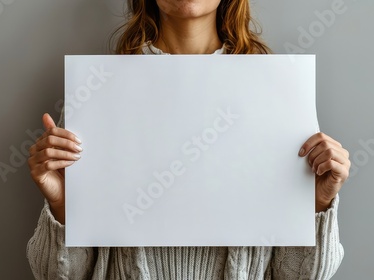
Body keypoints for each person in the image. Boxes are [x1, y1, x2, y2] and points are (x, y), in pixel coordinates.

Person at [26, 0, 351, 279]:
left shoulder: (278, 91)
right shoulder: (99, 93)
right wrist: (62, 204)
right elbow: (56, 275)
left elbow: (303, 276)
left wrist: (318, 202)